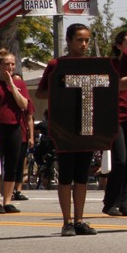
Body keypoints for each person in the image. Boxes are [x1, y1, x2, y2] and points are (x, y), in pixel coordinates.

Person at [37, 24, 99, 236]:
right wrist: (62, 90)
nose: (84, 44)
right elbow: (41, 93)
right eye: (80, 40)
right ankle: (67, 222)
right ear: (69, 41)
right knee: (66, 174)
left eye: (87, 40)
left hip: (86, 123)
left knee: (82, 175)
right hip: (64, 126)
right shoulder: (57, 64)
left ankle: (79, 220)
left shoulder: (91, 65)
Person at [100, 31, 127, 216]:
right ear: (119, 46)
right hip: (115, 118)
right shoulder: (111, 65)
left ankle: (123, 202)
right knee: (120, 160)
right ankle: (109, 203)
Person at [0, 48, 31, 214]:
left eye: (13, 64)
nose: (10, 67)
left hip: (15, 127)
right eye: (7, 64)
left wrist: (11, 84)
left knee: (12, 165)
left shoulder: (19, 84)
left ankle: (7, 201)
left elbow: (24, 105)